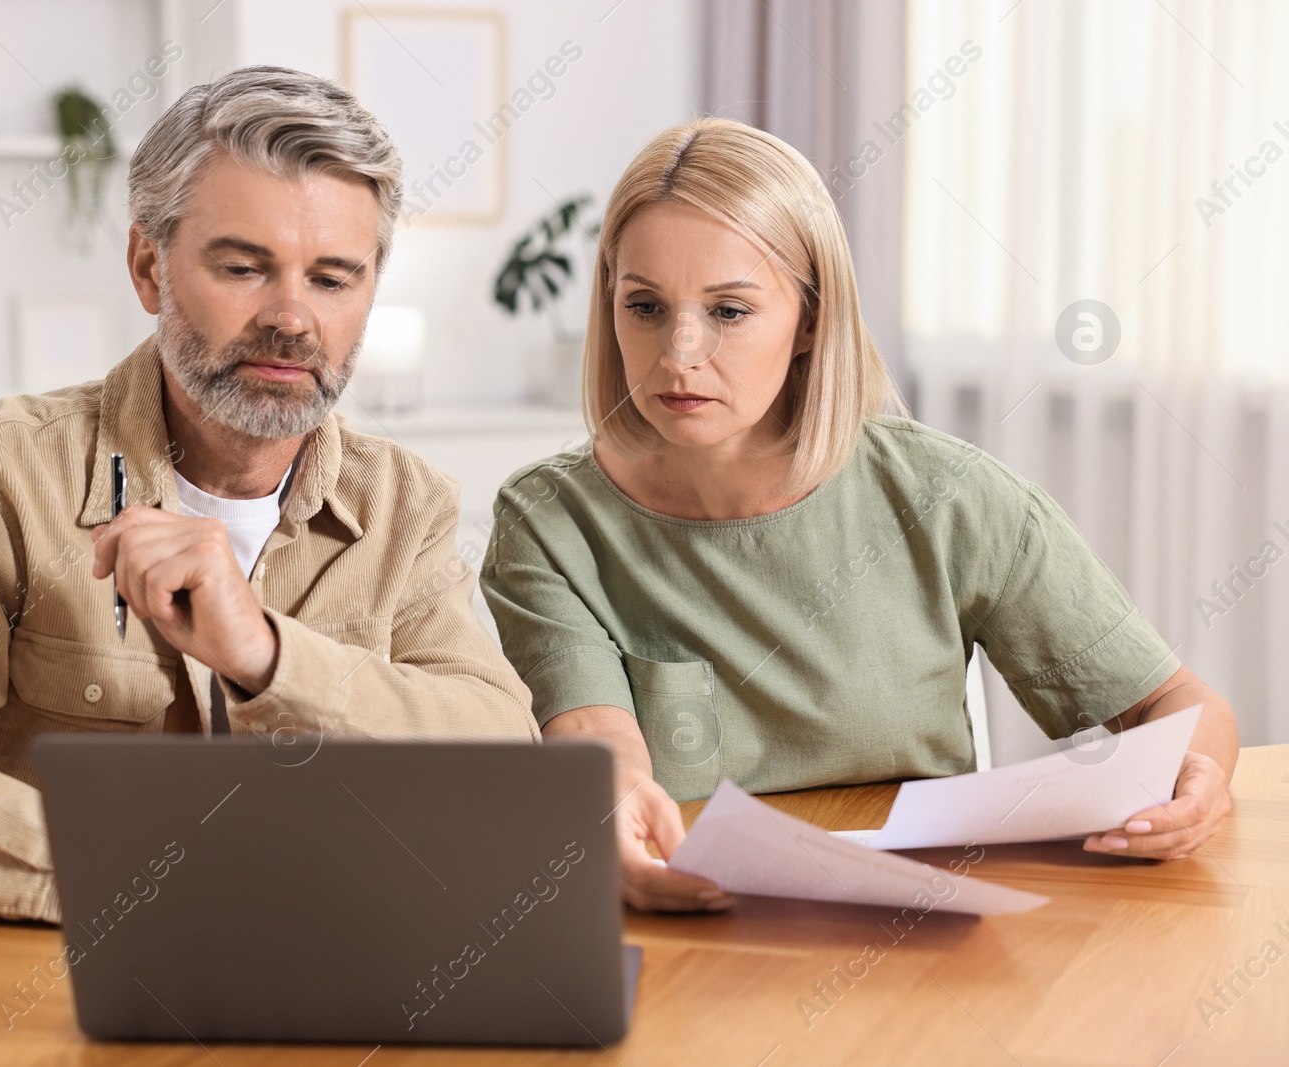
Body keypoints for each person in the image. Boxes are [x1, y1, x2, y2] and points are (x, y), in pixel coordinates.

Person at [0, 67, 537, 923]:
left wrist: (269, 657)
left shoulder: (406, 506)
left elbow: (506, 771)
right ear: (148, 267)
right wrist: (164, 868)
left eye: (331, 279)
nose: (292, 317)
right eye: (245, 266)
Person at [479, 118, 1239, 914]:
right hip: (690, 924)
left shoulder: (952, 498)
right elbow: (600, 748)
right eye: (645, 306)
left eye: (730, 311)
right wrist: (616, 816)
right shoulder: (549, 521)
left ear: (810, 319)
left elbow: (1174, 704)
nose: (679, 351)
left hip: (918, 931)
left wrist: (1199, 777)